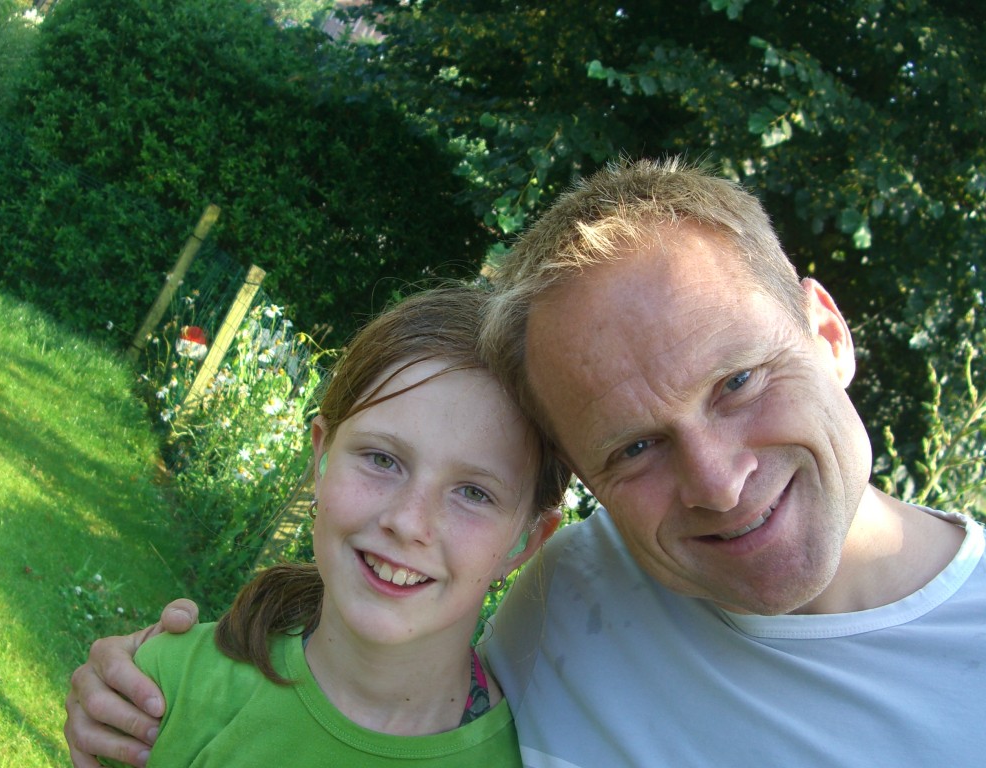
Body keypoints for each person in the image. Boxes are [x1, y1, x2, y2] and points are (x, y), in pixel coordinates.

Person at [67, 159, 986, 767]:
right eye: (634, 447)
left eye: (738, 380)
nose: (717, 481)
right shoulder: (576, 591)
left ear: (828, 333)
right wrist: (153, 685)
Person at [75, 285, 568, 767]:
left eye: (474, 493)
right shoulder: (166, 691)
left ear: (528, 542)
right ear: (321, 456)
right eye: (382, 459)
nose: (407, 522)